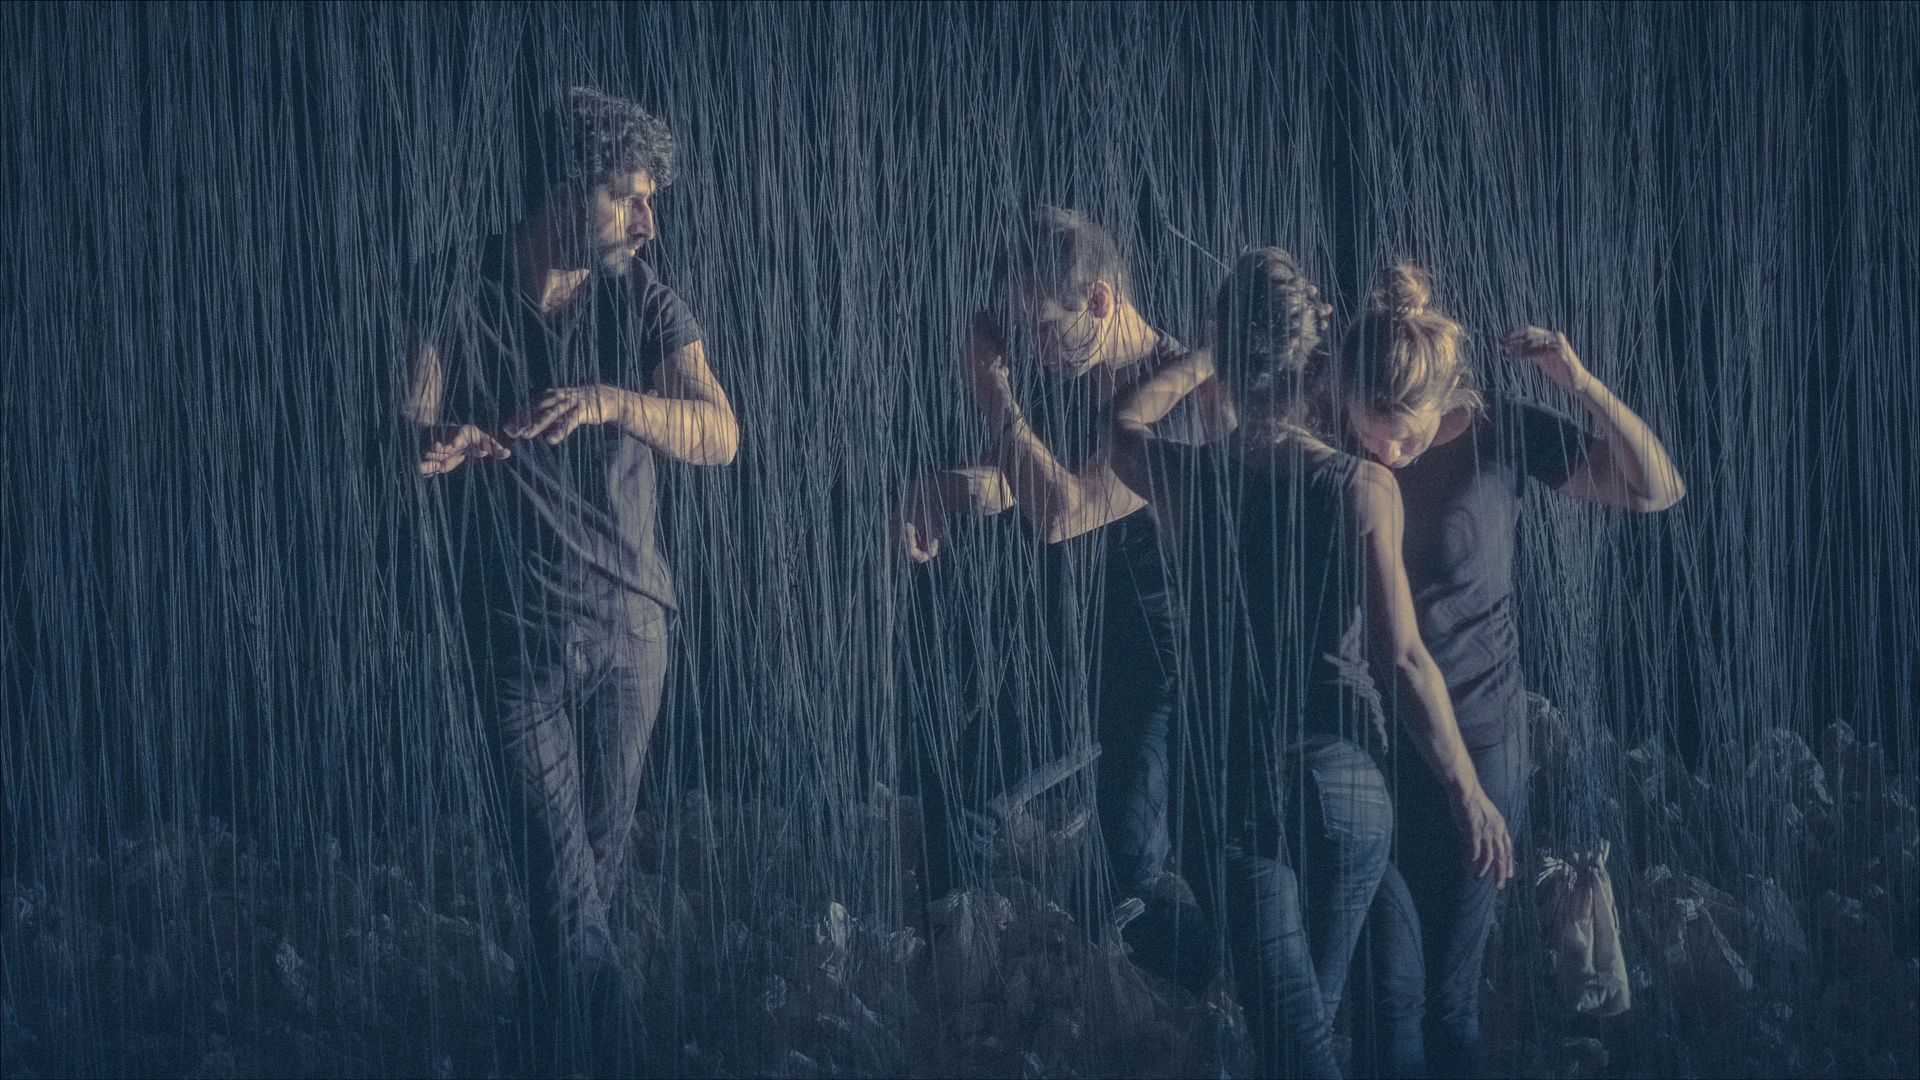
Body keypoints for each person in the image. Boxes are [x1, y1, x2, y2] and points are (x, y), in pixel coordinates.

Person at [1111, 248, 1512, 1077]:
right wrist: (1468, 791)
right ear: (1318, 371)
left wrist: (1205, 353)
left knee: (1294, 1045)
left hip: (1231, 788)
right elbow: (1402, 658)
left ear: (1232, 361)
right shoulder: (1364, 486)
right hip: (1345, 788)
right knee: (1322, 1025)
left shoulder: (1192, 478)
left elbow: (1120, 423)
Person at [400, 86, 739, 1064]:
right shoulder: (454, 286)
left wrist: (610, 400)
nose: (649, 221)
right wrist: (436, 440)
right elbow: (403, 417)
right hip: (512, 638)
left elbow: (720, 433)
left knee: (581, 896)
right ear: (561, 192)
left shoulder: (644, 303)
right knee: (566, 895)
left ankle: (543, 1052)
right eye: (629, 196)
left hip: (634, 634)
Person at [1343, 265, 1685, 1077]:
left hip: (1483, 742)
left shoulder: (1500, 433)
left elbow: (1657, 489)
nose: (1384, 452)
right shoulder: (1331, 427)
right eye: (1368, 431)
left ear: (1447, 398)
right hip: (1366, 744)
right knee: (1384, 989)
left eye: (1405, 435)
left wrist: (1580, 382)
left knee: (1448, 998)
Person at [894, 207, 1223, 991]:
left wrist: (989, 389)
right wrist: (942, 487)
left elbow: (1067, 511)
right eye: (1020, 331)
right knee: (958, 788)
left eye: (1043, 327)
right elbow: (1022, 479)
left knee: (1125, 895)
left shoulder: (1176, 393)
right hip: (1078, 653)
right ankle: (962, 1001)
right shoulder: (1082, 379)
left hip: (1160, 669)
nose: (1034, 350)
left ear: (1100, 302)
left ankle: (1230, 1011)